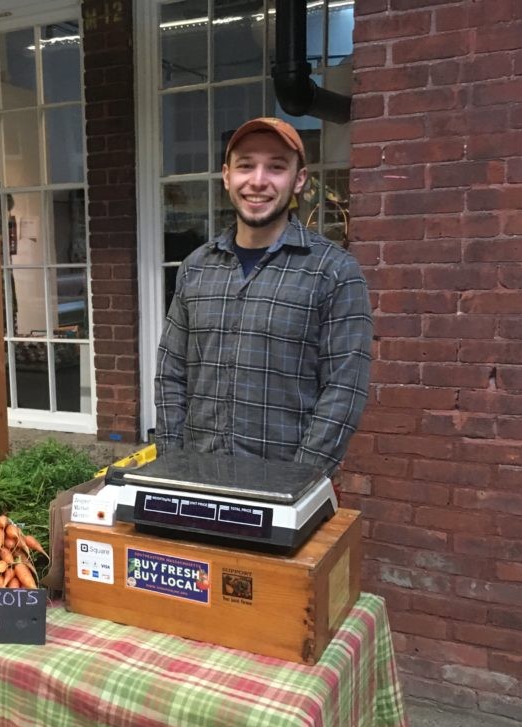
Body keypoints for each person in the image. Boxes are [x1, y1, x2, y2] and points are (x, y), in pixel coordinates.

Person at [154, 117, 372, 476]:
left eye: (275, 167)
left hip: (285, 489)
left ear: (299, 179)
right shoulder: (196, 267)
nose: (258, 180)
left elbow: (343, 393)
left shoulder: (334, 273)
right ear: (227, 177)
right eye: (245, 166)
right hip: (196, 481)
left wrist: (296, 483)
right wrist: (171, 464)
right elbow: (171, 374)